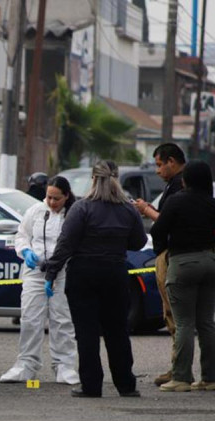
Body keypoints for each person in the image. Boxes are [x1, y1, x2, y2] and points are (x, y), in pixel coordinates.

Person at [44, 161, 147, 398]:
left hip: (84, 275)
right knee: (117, 331)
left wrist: (51, 274)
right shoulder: (128, 209)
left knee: (87, 332)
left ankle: (91, 385)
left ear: (93, 179)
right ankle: (126, 385)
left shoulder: (82, 208)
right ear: (116, 179)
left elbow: (65, 244)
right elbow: (138, 242)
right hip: (115, 273)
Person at [149, 160, 215, 392]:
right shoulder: (214, 204)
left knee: (184, 322)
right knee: (207, 321)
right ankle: (210, 378)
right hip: (212, 263)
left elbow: (157, 231)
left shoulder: (176, 201)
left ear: (185, 180)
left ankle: (181, 377)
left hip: (183, 263)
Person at [0, 176, 80, 385]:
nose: (51, 202)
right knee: (30, 318)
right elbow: (22, 235)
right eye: (48, 197)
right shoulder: (36, 211)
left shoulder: (74, 214)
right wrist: (25, 251)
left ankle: (65, 365)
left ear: (67, 196)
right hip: (35, 272)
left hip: (63, 272)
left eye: (56, 199)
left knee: (62, 318)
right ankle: (26, 364)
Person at [134, 143, 186, 386]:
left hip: (173, 255)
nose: (157, 170)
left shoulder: (180, 186)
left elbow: (169, 222)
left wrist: (147, 211)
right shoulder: (176, 185)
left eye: (159, 164)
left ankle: (180, 371)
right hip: (175, 253)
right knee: (175, 315)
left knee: (175, 315)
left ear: (171, 162)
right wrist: (150, 209)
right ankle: (178, 368)